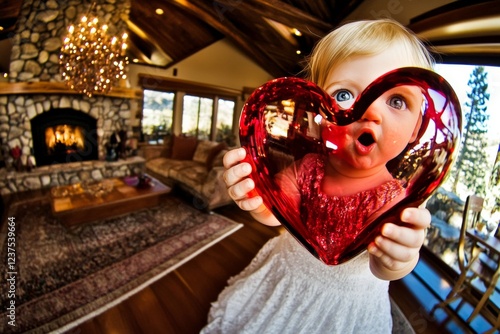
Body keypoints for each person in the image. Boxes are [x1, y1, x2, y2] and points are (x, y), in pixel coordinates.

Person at [201, 19, 433, 333]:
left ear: (416, 128)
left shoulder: (397, 199)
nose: (369, 113)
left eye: (396, 100)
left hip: (346, 307)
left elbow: (383, 267)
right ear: (319, 110)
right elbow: (276, 213)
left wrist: (398, 260)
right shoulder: (309, 166)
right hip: (288, 277)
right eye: (345, 95)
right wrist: (259, 201)